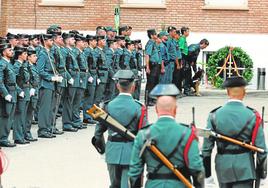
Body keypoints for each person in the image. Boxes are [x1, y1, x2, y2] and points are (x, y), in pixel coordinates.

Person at [128, 84, 204, 188]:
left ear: (156, 109)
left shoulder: (143, 135)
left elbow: (135, 172)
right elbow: (196, 168)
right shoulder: (187, 134)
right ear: (175, 109)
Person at [202, 76, 267, 188]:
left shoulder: (213, 115)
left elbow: (205, 149)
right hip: (245, 167)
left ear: (228, 92)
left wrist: (208, 176)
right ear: (244, 93)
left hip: (223, 167)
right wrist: (262, 176)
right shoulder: (253, 116)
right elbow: (262, 150)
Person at [93, 69, 146, 188]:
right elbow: (144, 134)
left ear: (117, 86)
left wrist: (103, 149)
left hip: (112, 152)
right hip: (131, 153)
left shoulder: (107, 106)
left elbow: (98, 132)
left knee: (114, 185)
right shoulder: (139, 107)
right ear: (133, 86)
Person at [37, 34, 63, 138]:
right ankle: (42, 130)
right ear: (45, 41)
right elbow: (40, 70)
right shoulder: (43, 53)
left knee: (50, 108)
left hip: (52, 84)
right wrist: (50, 77)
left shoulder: (49, 53)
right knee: (45, 108)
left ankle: (48, 128)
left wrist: (56, 76)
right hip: (45, 84)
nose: (52, 42)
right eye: (50, 40)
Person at [0, 43, 20, 147]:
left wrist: (18, 90)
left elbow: (13, 80)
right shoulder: (2, 63)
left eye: (12, 50)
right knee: (5, 116)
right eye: (9, 50)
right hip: (7, 92)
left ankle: (4, 137)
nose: (12, 52)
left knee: (10, 117)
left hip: (13, 91)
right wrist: (5, 94)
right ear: (3, 52)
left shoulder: (9, 63)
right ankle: (3, 138)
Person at [12, 46, 30, 144]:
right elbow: (13, 81)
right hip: (21, 92)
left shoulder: (23, 65)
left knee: (23, 114)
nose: (26, 56)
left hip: (26, 91)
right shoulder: (16, 66)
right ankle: (18, 136)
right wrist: (19, 91)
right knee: (19, 115)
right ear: (19, 55)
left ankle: (22, 135)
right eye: (25, 54)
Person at [82, 35, 98, 125]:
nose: (96, 42)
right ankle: (87, 117)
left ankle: (92, 115)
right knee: (89, 98)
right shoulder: (87, 51)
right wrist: (89, 76)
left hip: (94, 76)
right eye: (94, 41)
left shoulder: (92, 51)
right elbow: (86, 65)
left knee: (93, 98)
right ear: (90, 41)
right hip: (90, 77)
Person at [144, 29, 162, 106]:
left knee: (154, 82)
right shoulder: (150, 43)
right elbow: (147, 55)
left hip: (156, 65)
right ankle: (148, 100)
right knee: (150, 83)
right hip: (152, 65)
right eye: (155, 34)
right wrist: (147, 67)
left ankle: (152, 98)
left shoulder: (154, 43)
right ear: (151, 35)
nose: (156, 36)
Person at [25, 48, 39, 142]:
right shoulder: (26, 67)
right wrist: (31, 88)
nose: (36, 57)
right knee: (26, 114)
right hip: (29, 92)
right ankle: (25, 133)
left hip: (34, 92)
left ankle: (27, 132)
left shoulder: (33, 66)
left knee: (30, 113)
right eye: (34, 56)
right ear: (28, 57)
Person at [179, 26, 191, 95]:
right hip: (183, 58)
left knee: (186, 75)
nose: (188, 33)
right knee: (183, 75)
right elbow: (180, 50)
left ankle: (186, 89)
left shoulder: (184, 39)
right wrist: (181, 61)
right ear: (184, 32)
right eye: (187, 31)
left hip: (185, 58)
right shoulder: (182, 39)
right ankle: (184, 90)